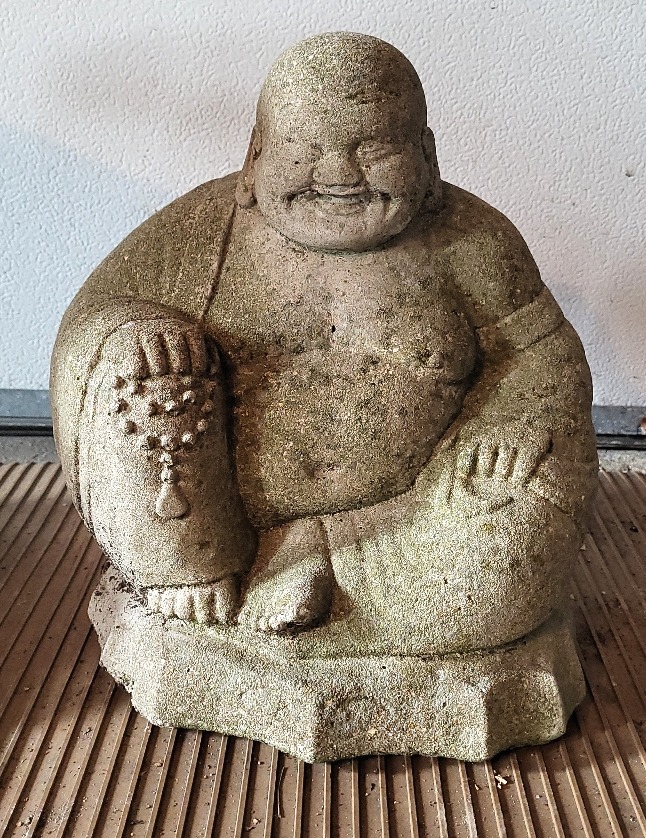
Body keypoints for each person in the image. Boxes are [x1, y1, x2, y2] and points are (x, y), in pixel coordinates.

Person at [51, 33, 597, 655]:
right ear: (256, 152)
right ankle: (196, 569)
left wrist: (515, 411)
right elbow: (87, 333)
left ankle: (326, 562)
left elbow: (542, 350)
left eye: (373, 149)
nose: (339, 174)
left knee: (512, 552)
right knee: (139, 355)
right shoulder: (197, 238)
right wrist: (132, 333)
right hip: (226, 524)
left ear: (426, 155)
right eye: (307, 149)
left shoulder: (473, 241)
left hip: (422, 513)